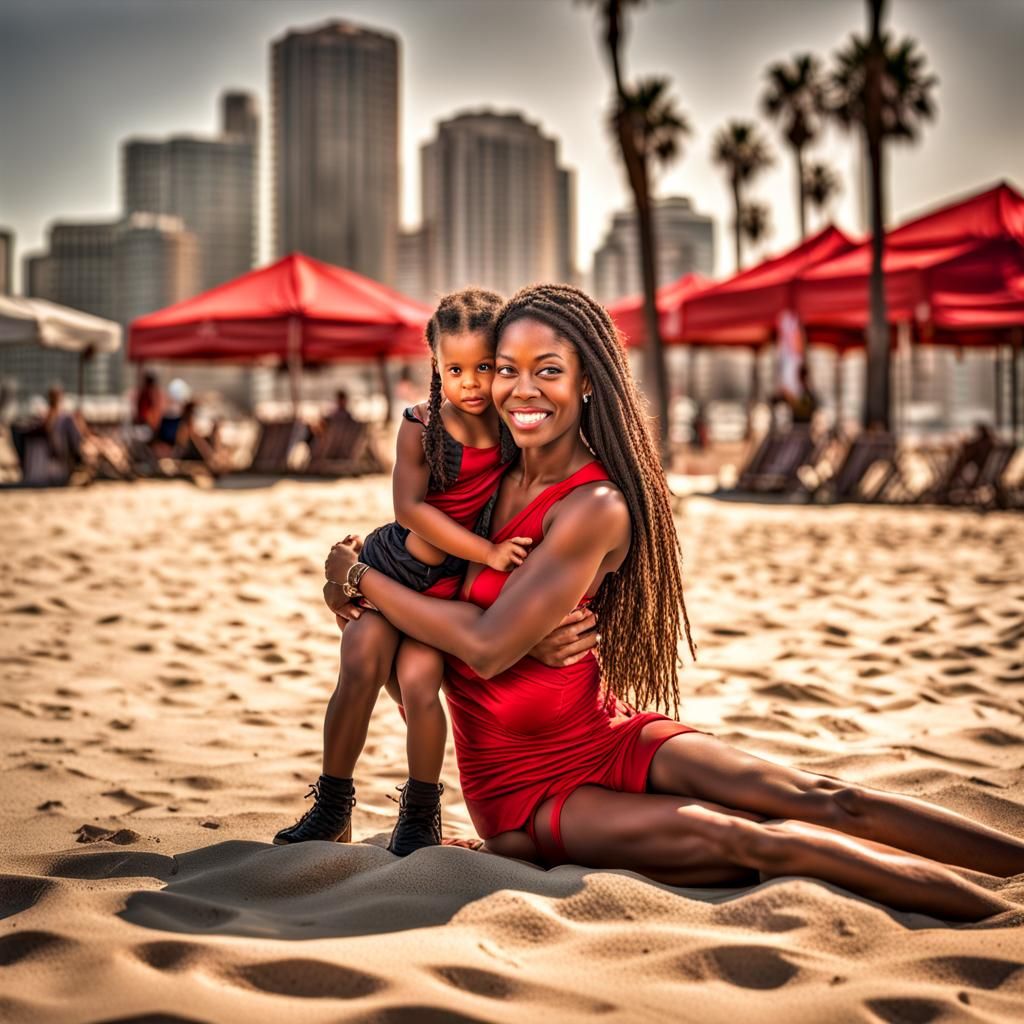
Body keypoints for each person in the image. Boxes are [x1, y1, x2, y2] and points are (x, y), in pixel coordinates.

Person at [322, 284, 1023, 921]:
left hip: (607, 733)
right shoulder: (482, 476)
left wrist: (362, 582)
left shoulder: (594, 505)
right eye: (507, 367)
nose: (520, 389)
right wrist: (352, 578)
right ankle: (1003, 924)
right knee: (762, 840)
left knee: (831, 799)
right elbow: (423, 578)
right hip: (533, 793)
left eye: (549, 370)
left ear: (590, 381)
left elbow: (481, 643)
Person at [275, 288, 537, 856]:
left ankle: (420, 814)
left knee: (421, 685)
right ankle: (332, 807)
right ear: (436, 366)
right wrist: (486, 553)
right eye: (455, 368)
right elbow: (409, 510)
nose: (470, 382)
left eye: (485, 367)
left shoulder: (513, 428)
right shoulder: (420, 425)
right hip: (393, 567)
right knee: (360, 661)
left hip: (441, 591)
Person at [789, 363, 819, 427]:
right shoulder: (797, 390)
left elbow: (806, 410)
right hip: (797, 425)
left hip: (806, 424)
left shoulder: (809, 393)